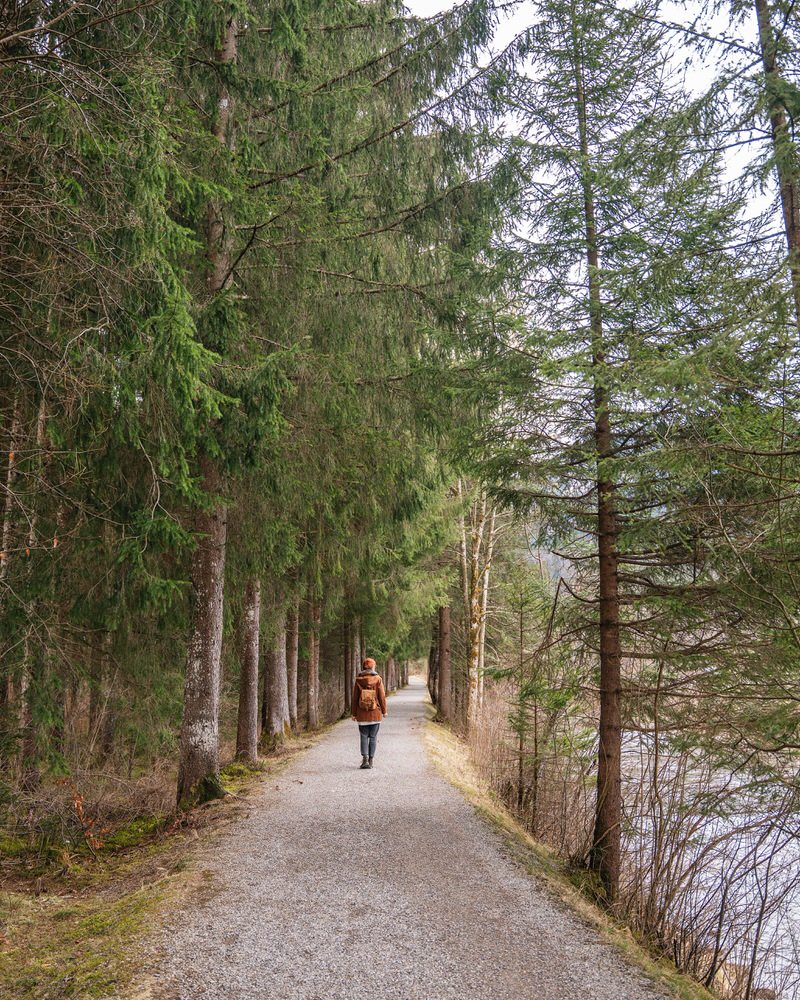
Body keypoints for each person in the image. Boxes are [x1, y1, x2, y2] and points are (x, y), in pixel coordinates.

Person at [351, 656, 387, 769]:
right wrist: (384, 711)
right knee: (373, 737)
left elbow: (355, 698)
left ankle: (365, 759)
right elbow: (381, 696)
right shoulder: (378, 679)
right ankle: (371, 761)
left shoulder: (358, 680)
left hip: (362, 714)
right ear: (373, 667)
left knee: (363, 736)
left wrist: (354, 713)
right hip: (375, 713)